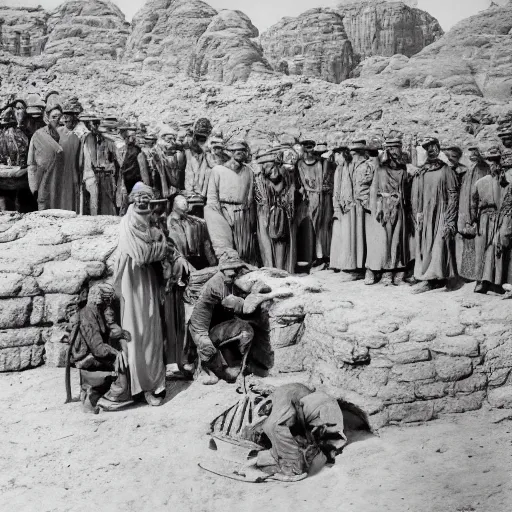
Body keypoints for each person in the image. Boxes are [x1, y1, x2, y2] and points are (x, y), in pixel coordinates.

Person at [114, 182, 168, 406]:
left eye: (146, 197)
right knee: (135, 329)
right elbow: (141, 254)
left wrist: (155, 247)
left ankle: (153, 383)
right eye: (138, 197)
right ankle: (137, 386)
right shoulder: (127, 223)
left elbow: (161, 250)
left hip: (148, 280)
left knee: (151, 329)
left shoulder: (153, 222)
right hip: (131, 280)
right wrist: (155, 246)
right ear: (132, 199)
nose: (142, 201)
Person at [248, 383, 347, 480]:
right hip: (321, 404)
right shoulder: (278, 395)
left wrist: (291, 468)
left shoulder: (274, 415)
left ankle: (299, 467)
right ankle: (327, 453)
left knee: (275, 429)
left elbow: (278, 428)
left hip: (322, 410)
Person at [65, 285, 133, 413]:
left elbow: (104, 332)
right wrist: (116, 353)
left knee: (121, 354)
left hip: (92, 353)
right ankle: (114, 396)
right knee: (121, 361)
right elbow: (99, 349)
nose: (109, 303)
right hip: (88, 357)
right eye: (106, 299)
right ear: (99, 299)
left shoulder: (94, 311)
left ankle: (101, 395)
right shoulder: (88, 315)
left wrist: (121, 333)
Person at [188, 255, 254, 385]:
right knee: (207, 348)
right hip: (200, 327)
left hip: (214, 321)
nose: (233, 275)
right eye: (230, 273)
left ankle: (230, 365)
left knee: (244, 329)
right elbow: (233, 304)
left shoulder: (226, 279)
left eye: (235, 271)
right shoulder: (216, 283)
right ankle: (212, 373)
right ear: (223, 270)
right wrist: (249, 296)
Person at [410, 137, 459, 293]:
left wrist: (449, 218)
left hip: (440, 214)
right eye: (427, 147)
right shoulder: (423, 171)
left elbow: (453, 195)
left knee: (437, 245)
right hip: (424, 214)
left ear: (439, 148)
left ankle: (435, 278)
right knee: (424, 245)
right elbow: (416, 193)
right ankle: (424, 275)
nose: (431, 149)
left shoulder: (446, 170)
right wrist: (417, 212)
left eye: (433, 146)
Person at [365, 137, 410, 285]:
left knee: (397, 240)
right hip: (383, 208)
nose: (393, 152)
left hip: (399, 208)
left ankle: (394, 270)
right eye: (390, 149)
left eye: (396, 148)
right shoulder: (379, 169)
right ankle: (379, 270)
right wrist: (377, 207)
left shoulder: (404, 170)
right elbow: (374, 190)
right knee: (382, 240)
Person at [204, 140, 257, 264]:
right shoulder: (217, 170)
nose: (240, 153)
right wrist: (219, 216)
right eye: (236, 150)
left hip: (243, 213)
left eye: (243, 150)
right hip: (224, 211)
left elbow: (250, 195)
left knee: (244, 249)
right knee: (227, 247)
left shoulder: (249, 171)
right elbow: (212, 196)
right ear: (230, 152)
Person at [470, 147, 512, 294]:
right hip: (484, 220)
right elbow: (473, 203)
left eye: (496, 161)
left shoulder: (505, 182)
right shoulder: (480, 182)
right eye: (491, 161)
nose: (494, 165)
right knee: (481, 250)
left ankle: (497, 282)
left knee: (497, 250)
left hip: (500, 218)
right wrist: (474, 221)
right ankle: (480, 282)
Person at [330, 140, 374, 277]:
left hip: (362, 206)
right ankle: (351, 267)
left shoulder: (368, 166)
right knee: (350, 238)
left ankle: (360, 268)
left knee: (361, 238)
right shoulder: (345, 167)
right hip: (349, 206)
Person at [253, 145, 299, 273]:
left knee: (281, 240)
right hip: (265, 212)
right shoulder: (260, 180)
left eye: (273, 166)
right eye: (268, 167)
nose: (272, 170)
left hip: (281, 212)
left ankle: (282, 269)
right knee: (268, 241)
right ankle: (271, 268)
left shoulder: (285, 175)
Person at [295, 140, 334, 269]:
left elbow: (329, 181)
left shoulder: (322, 163)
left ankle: (325, 256)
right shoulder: (299, 164)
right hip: (308, 198)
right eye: (306, 148)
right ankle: (315, 256)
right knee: (311, 227)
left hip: (323, 198)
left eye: (311, 147)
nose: (309, 150)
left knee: (324, 226)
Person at [455, 146, 490, 280]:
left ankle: (477, 275)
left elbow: (475, 194)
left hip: (476, 213)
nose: (473, 154)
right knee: (468, 243)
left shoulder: (481, 169)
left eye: (476, 152)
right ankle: (469, 274)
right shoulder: (472, 169)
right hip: (467, 212)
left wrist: (472, 215)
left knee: (478, 244)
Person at [27, 105, 66, 210]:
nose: (57, 120)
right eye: (54, 117)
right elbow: (31, 163)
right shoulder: (38, 135)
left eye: (60, 117)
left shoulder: (68, 136)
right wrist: (34, 188)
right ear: (47, 118)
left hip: (63, 184)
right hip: (44, 183)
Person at [167, 194, 217, 270]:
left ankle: (212, 262)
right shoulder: (170, 223)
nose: (184, 213)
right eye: (182, 212)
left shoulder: (191, 221)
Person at [82, 116, 118, 215]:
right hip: (92, 173)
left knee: (106, 200)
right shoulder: (88, 138)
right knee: (94, 202)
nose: (93, 127)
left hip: (105, 173)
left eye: (95, 124)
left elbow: (114, 159)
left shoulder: (108, 140)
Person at [184, 118, 213, 216]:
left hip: (206, 193)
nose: (201, 143)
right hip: (193, 193)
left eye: (203, 139)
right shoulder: (189, 153)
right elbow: (188, 173)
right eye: (199, 139)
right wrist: (190, 192)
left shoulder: (209, 153)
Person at [57, 101, 82, 213]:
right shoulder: (59, 132)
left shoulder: (82, 133)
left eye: (69, 116)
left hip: (77, 169)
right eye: (64, 116)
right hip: (62, 169)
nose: (66, 119)